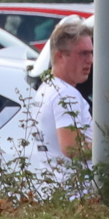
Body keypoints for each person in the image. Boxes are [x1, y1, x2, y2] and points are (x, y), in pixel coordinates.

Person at [34, 17, 93, 166]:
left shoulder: (46, 88)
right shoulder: (66, 94)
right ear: (60, 56)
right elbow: (72, 147)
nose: (90, 60)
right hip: (74, 187)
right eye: (83, 54)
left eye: (91, 53)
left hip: (55, 184)